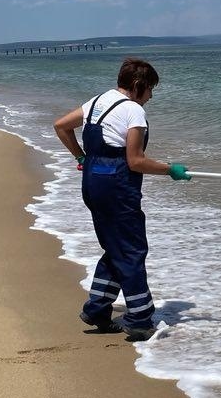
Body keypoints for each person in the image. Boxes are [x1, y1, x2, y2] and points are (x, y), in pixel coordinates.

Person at [53, 58, 190, 342]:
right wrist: (170, 170)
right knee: (131, 250)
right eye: (150, 89)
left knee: (116, 247)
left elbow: (61, 126)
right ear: (138, 85)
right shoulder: (133, 111)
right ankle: (140, 320)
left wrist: (82, 157)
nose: (150, 96)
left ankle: (97, 310)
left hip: (92, 183)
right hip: (117, 188)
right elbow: (135, 161)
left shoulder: (97, 101)